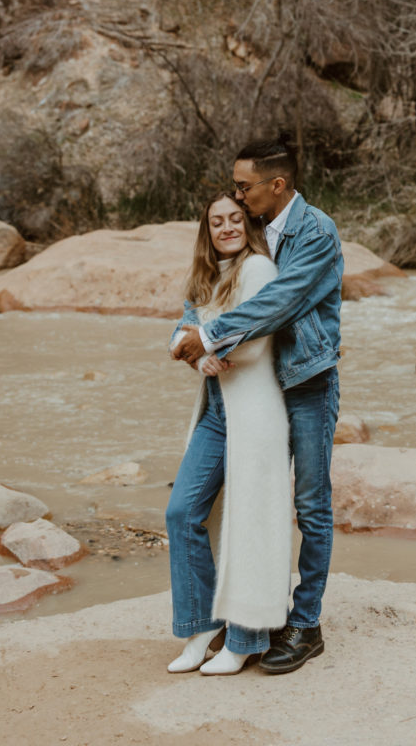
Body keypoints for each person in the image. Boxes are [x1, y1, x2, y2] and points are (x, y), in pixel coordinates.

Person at [173, 138, 343, 675]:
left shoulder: (314, 230)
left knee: (310, 506)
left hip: (307, 381)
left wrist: (210, 337)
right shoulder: (256, 232)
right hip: (254, 386)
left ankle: (305, 621)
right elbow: (203, 301)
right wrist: (194, 344)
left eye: (244, 187)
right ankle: (237, 617)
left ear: (278, 184)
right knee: (229, 506)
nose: (238, 199)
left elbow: (280, 300)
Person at [165, 191, 292, 676]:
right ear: (207, 230)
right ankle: (202, 628)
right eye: (217, 221)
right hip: (217, 412)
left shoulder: (258, 269)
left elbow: (258, 342)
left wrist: (205, 344)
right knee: (182, 513)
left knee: (249, 522)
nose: (226, 228)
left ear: (247, 224)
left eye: (235, 219)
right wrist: (196, 351)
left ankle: (244, 640)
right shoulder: (204, 278)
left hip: (255, 413)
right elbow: (178, 334)